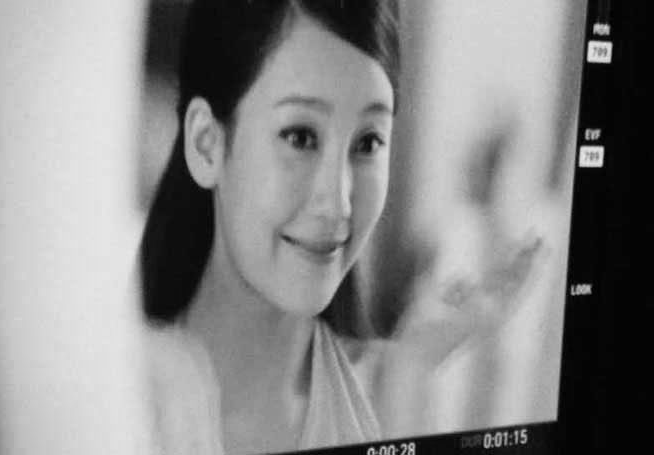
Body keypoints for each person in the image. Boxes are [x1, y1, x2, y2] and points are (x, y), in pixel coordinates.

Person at [138, 1, 540, 453]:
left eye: (368, 142)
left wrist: (410, 376)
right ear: (206, 144)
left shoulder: (386, 391)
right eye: (300, 137)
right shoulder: (123, 383)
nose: (339, 202)